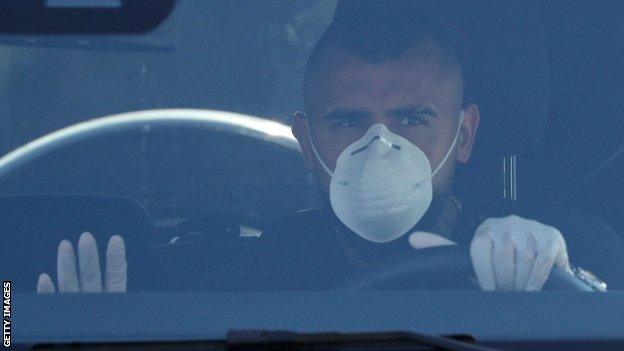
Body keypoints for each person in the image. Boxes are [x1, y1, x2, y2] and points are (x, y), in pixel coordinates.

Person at [36, 1, 621, 293]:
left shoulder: (567, 249)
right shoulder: (261, 277)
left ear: (464, 134)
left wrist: (566, 286)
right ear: (306, 139)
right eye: (347, 121)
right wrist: (78, 331)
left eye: (412, 118)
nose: (380, 145)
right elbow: (4, 319)